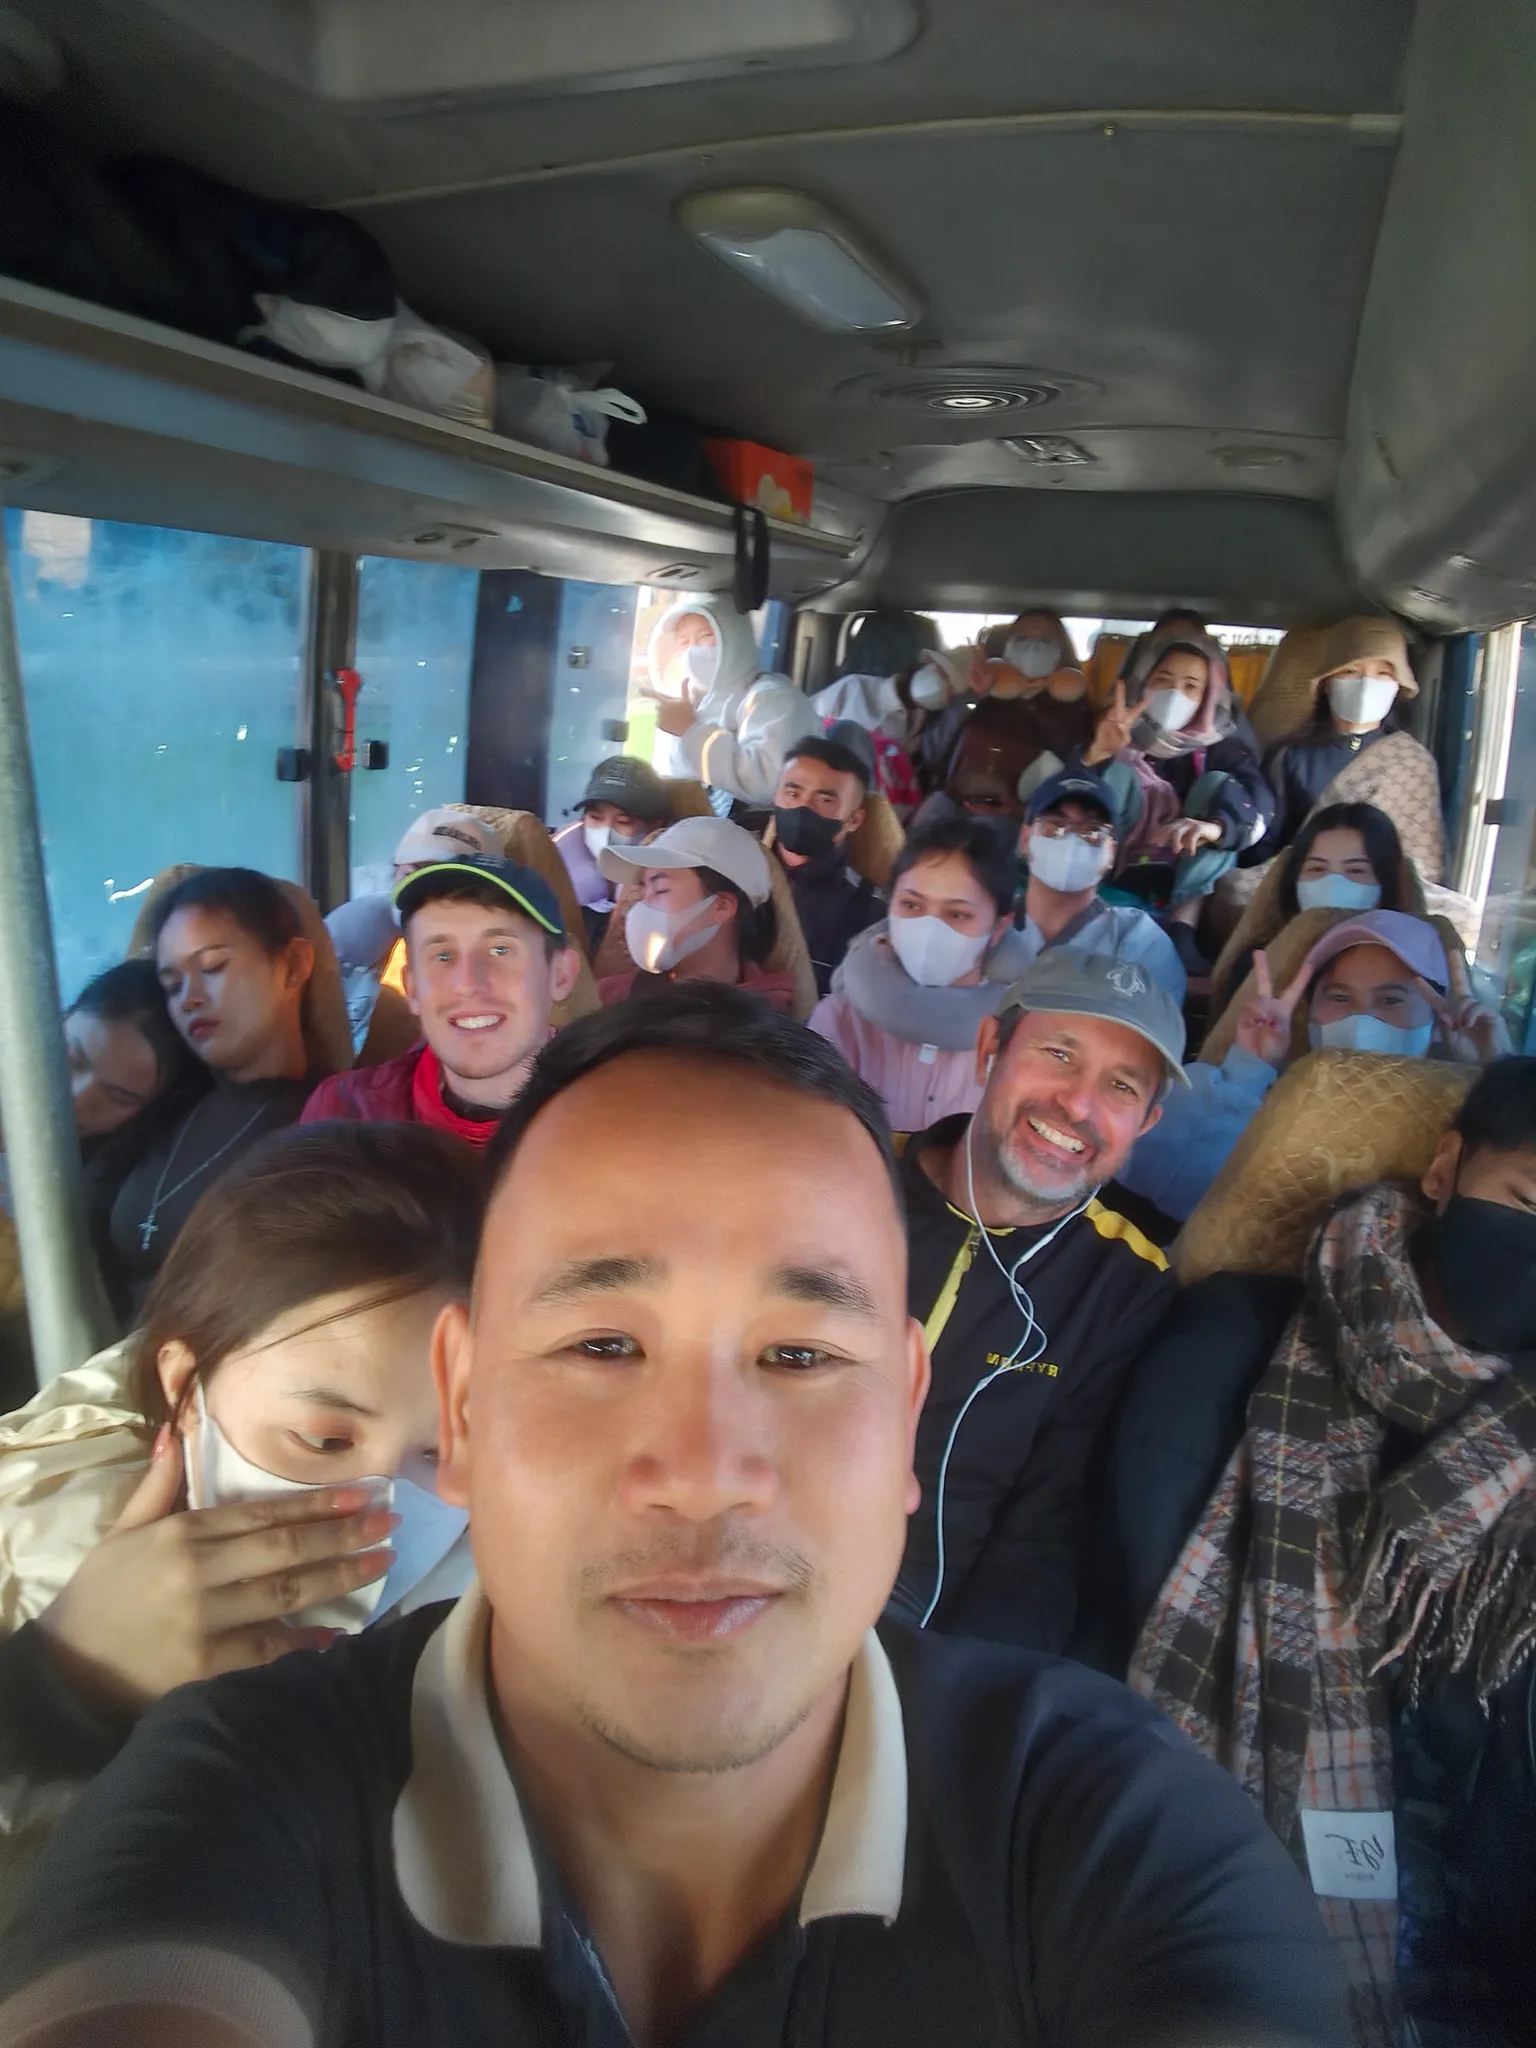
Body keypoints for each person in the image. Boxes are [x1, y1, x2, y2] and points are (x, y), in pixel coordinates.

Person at [0, 986, 1348, 2048]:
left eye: (803, 1357)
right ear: (460, 1409)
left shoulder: (1104, 1827)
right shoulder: (242, 1783)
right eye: (600, 1346)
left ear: (909, 1420)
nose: (705, 1472)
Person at [1131, 1057, 1536, 2048]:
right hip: (1221, 1897)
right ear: (1446, 1169)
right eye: (1524, 1200)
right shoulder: (1230, 1345)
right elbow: (1124, 1593)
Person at [0, 1121, 482, 1908]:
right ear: (188, 1394)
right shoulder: (26, 1535)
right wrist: (57, 1689)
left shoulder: (504, 1640)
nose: (385, 1512)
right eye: (322, 1439)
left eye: (443, 1451)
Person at [888, 949, 1183, 1650]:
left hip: (924, 1646)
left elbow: (1049, 1534)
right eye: (1058, 1054)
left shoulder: (1128, 1285)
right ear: (991, 1049)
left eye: (1120, 1086)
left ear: (1143, 1124)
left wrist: (956, 1699)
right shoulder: (847, 1176)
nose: (1078, 1105)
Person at [1119, 910, 1511, 1223]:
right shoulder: (1264, 1102)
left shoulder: (1466, 1131)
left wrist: (1497, 1066)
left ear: (1439, 1019)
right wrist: (1247, 1068)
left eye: (1391, 1000)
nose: (1361, 1017)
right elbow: (1148, 1174)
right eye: (1339, 997)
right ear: (1311, 1017)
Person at [103, 869, 320, 1317]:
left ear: (294, 965)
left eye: (212, 967)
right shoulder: (158, 1099)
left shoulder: (328, 1121)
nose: (189, 999)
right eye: (172, 985)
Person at [302, 857, 580, 1143]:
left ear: (560, 976)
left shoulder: (611, 1116)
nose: (467, 984)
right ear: (413, 990)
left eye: (500, 950)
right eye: (443, 956)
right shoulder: (346, 1115)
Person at [809, 816, 1030, 1133]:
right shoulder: (839, 1022)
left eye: (957, 914)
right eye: (911, 905)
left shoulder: (1018, 1042)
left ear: (999, 927)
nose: (929, 929)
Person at [1085, 629, 1274, 972]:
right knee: (1116, 774)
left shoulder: (1224, 746)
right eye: (1163, 680)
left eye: (1191, 686)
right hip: (1116, 864)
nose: (1175, 694)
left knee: (1220, 789)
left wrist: (1214, 827)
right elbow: (1064, 799)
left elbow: (1258, 802)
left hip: (1183, 867)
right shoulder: (1115, 730)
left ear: (1208, 695)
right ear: (1143, 682)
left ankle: (1182, 930)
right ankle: (1090, 907)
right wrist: (1099, 754)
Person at [1262, 616, 1437, 862]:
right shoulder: (1289, 755)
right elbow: (1263, 847)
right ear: (1326, 683)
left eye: (1383, 673)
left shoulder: (1411, 761)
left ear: (1399, 685)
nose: (1367, 684)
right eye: (1350, 671)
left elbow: (1422, 861)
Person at [326, 809, 504, 1051]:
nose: (423, 895)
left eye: (448, 885)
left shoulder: (502, 957)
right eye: (411, 876)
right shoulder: (358, 926)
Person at [1214, 802, 1415, 1009]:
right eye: (1317, 868)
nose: (1332, 885)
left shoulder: (1413, 968)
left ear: (1386, 883)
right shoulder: (1259, 965)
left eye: (1356, 871)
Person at [1015, 767, 1186, 1003]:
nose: (1071, 842)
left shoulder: (1139, 941)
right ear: (1026, 840)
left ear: (1111, 852)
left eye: (1093, 832)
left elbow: (1151, 1035)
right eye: (1054, 827)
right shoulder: (986, 917)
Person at [596, 813, 796, 1011]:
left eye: (661, 889)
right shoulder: (607, 1000)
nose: (642, 903)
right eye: (641, 888)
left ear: (722, 907)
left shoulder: (768, 1025)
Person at [647, 595, 819, 809]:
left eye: (706, 637)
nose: (693, 650)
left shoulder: (774, 699)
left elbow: (765, 785)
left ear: (734, 638)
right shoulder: (684, 703)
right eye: (684, 642)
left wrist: (692, 731)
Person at [770, 732, 881, 996]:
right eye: (793, 793)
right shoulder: (734, 868)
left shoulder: (868, 912)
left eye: (824, 799)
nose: (803, 807)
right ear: (776, 796)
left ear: (854, 820)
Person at [551, 756, 670, 949]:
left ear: (655, 825)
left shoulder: (667, 886)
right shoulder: (553, 860)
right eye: (596, 817)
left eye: (623, 821)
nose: (605, 831)